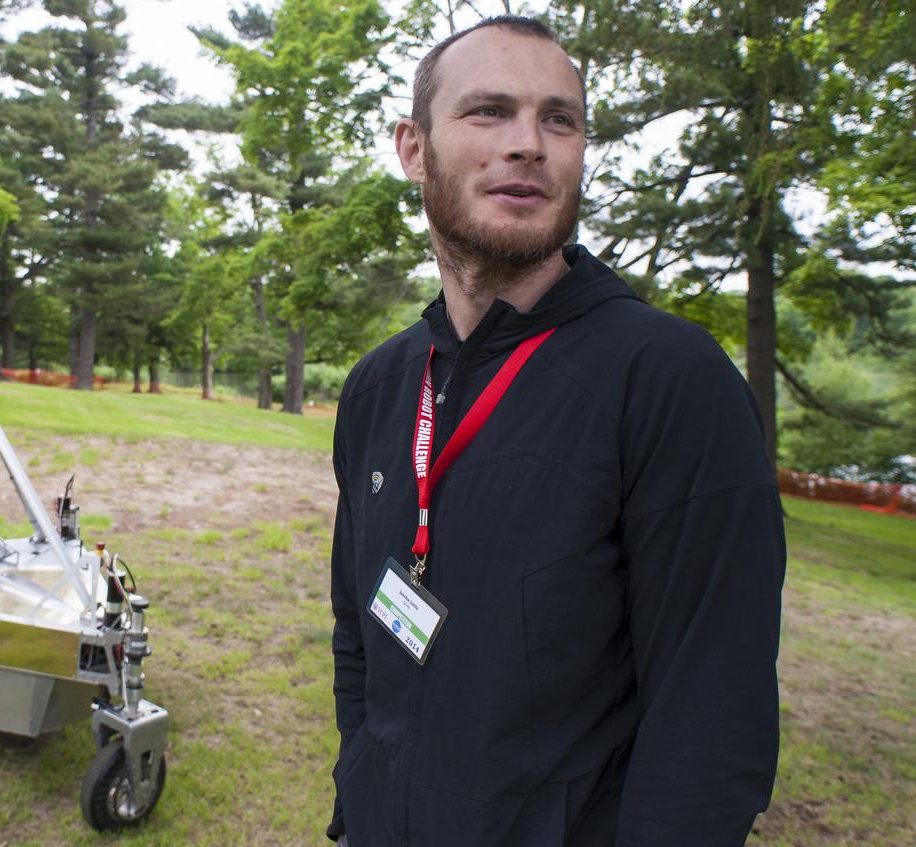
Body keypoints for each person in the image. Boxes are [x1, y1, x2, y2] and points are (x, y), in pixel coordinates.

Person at [327, 15, 785, 846]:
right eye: (489, 112)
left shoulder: (671, 382)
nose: (529, 144)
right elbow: (359, 632)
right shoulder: (378, 388)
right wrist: (361, 789)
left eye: (559, 119)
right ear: (413, 147)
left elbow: (711, 725)